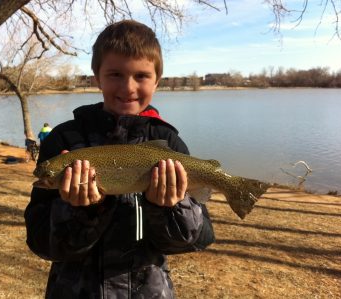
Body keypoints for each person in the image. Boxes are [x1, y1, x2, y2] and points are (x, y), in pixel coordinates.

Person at [24, 20, 215, 299]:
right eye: (115, 74)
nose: (128, 87)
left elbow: (198, 239)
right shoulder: (63, 140)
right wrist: (81, 212)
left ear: (157, 80)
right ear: (97, 77)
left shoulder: (169, 141)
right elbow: (41, 242)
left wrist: (170, 207)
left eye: (141, 76)